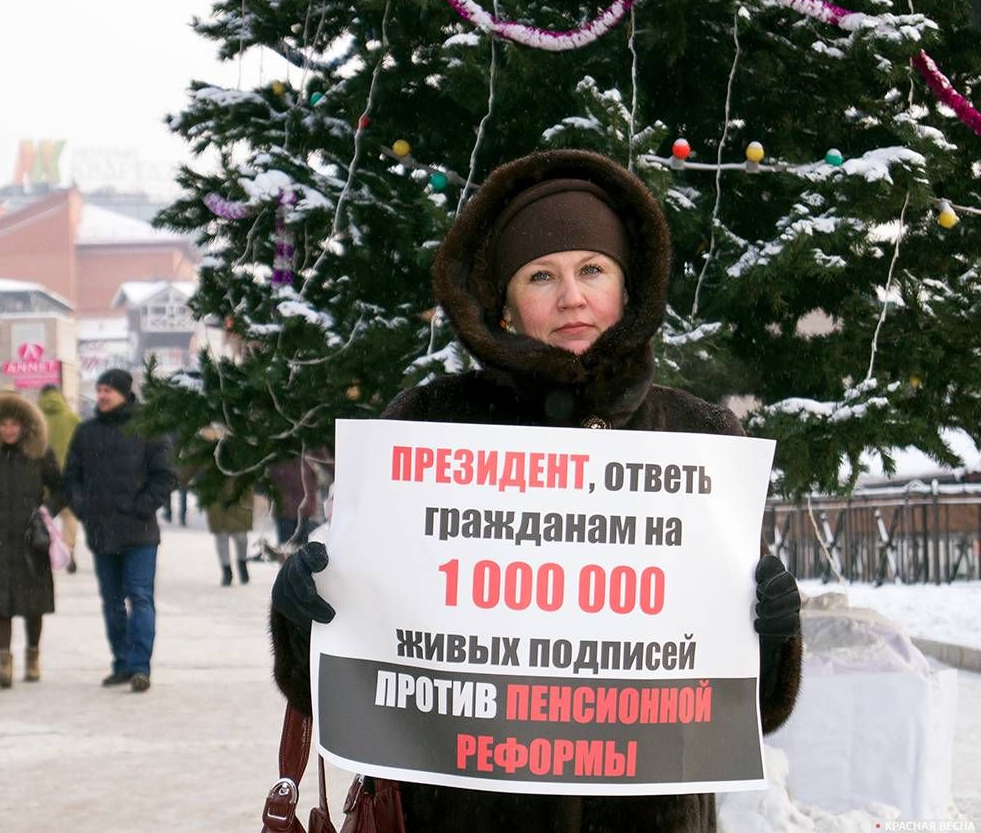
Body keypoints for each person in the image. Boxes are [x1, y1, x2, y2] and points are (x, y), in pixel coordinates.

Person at [269, 149, 804, 831]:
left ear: (627, 287)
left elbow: (752, 710)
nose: (571, 296)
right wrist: (303, 615)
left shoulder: (700, 439)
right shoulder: (427, 430)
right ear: (506, 305)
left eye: (592, 270)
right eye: (541, 275)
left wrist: (774, 634)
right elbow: (349, 685)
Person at [63, 369, 176, 692]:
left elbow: (166, 476)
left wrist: (142, 507)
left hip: (140, 533)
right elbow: (71, 477)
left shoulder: (148, 429)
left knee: (140, 598)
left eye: (108, 390)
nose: (102, 396)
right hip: (101, 530)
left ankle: (140, 666)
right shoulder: (86, 432)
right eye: (99, 390)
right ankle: (122, 663)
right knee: (111, 602)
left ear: (125, 393)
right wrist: (84, 509)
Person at [0, 391, 65, 688]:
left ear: (24, 426)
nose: (8, 430)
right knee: (0, 602)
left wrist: (46, 513)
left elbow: (61, 488)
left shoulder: (39, 453)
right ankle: (3, 662)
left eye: (14, 424)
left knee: (34, 602)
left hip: (32, 540)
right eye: (3, 425)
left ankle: (33, 656)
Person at [37, 384, 82, 573]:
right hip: (68, 477)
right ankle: (68, 549)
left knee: (41, 518)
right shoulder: (73, 419)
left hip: (41, 478)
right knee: (69, 517)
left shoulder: (36, 418)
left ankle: (43, 550)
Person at [202, 476, 254, 586]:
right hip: (218, 500)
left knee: (241, 537)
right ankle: (227, 571)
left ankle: (241, 563)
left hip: (238, 499)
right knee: (222, 539)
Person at [266, 457, 318, 553]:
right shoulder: (303, 461)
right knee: (293, 548)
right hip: (292, 510)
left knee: (293, 548)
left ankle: (290, 564)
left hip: (292, 510)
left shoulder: (279, 462)